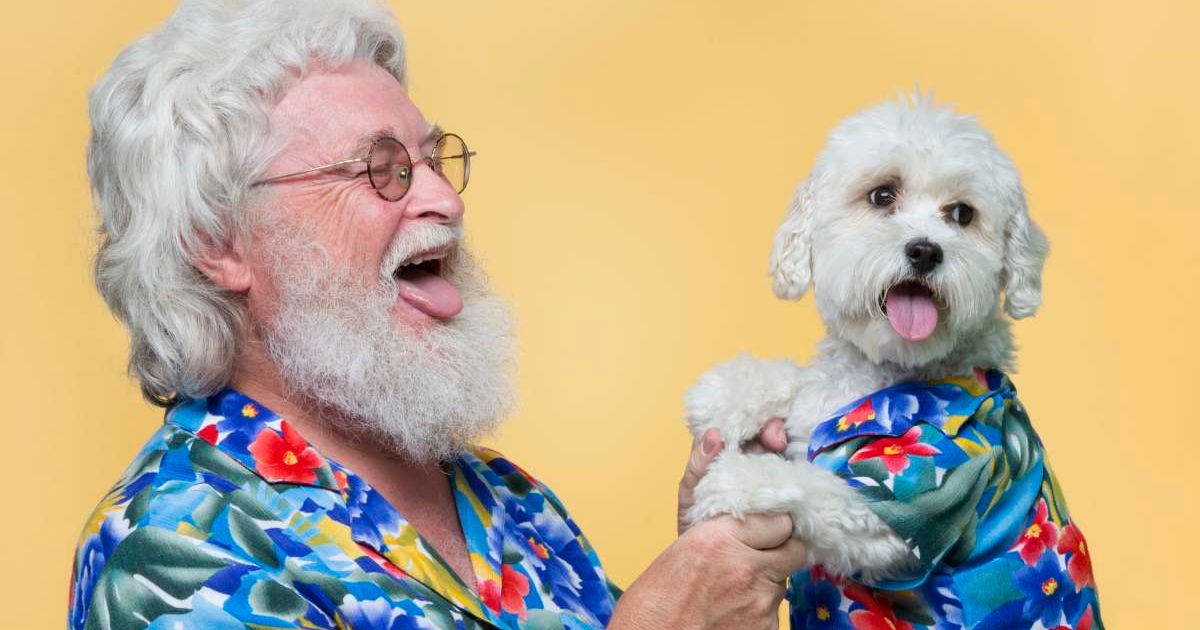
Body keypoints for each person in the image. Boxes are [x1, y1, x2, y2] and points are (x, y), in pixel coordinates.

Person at [68, 1, 804, 628]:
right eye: (379, 169)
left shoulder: (502, 497)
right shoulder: (169, 549)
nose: (445, 201)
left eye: (430, 160)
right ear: (219, 242)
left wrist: (707, 560)